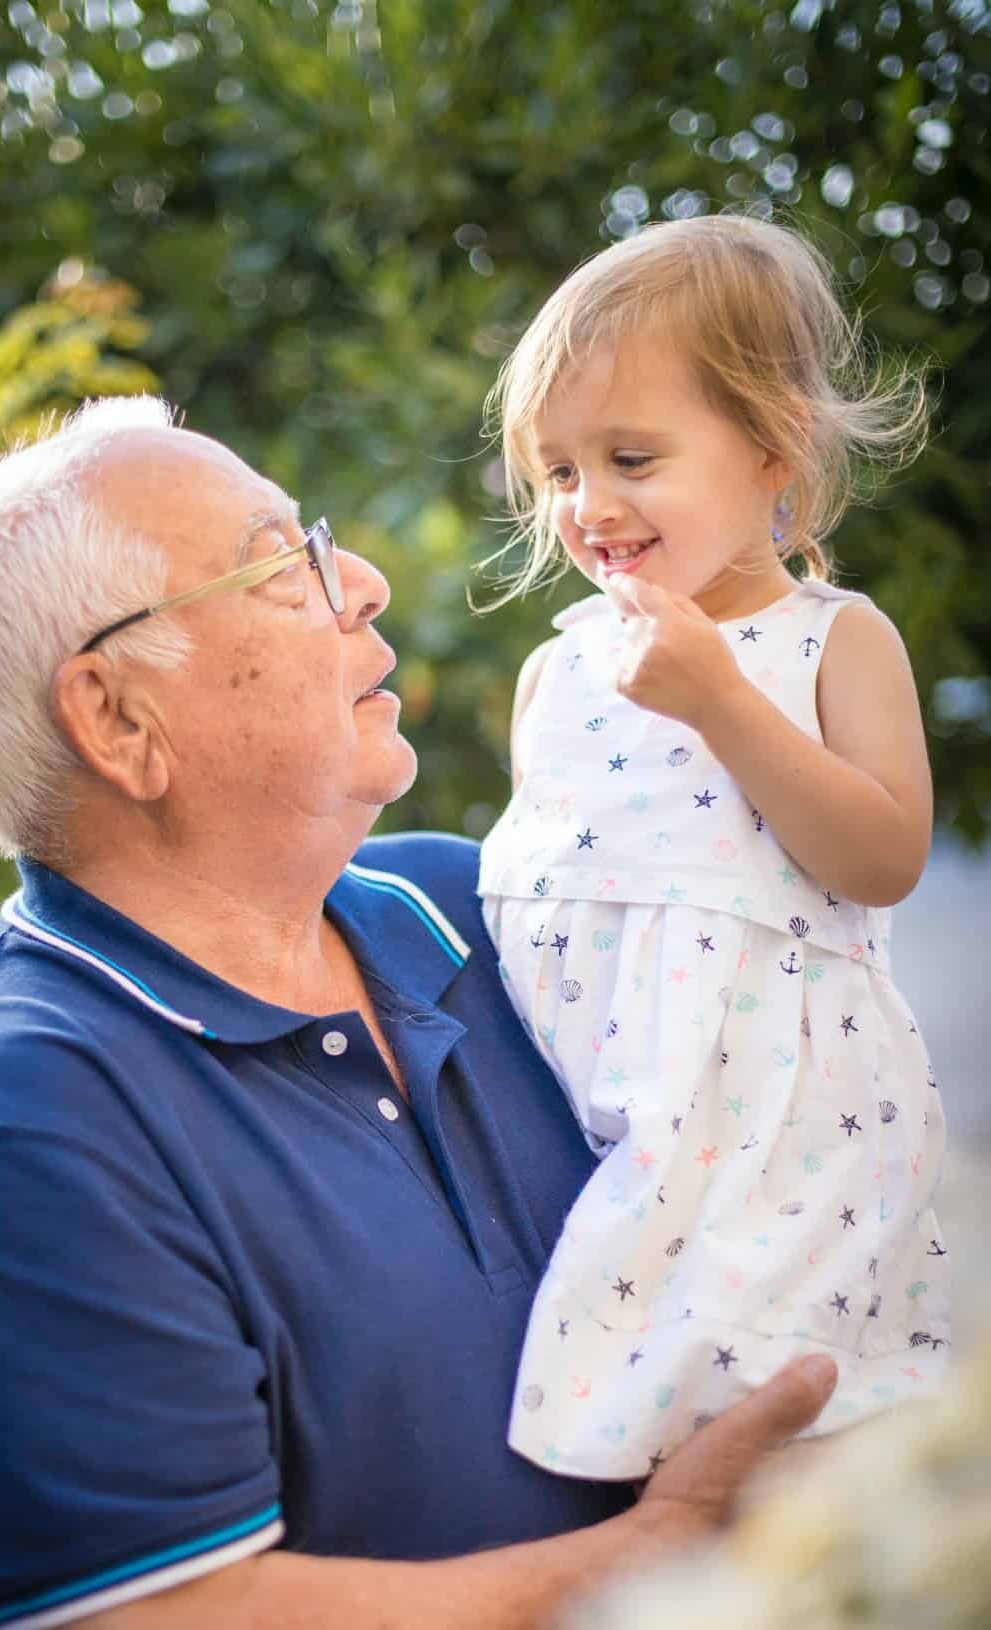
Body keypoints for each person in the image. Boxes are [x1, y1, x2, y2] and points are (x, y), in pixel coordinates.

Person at [0, 396, 837, 1630]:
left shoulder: (477, 902)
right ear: (117, 718)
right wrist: (663, 1551)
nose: (364, 582)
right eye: (284, 568)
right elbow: (155, 1618)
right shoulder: (22, 1125)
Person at [477, 212, 950, 1484]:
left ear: (771, 447)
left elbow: (884, 855)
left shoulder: (831, 641)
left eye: (632, 455)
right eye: (559, 471)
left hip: (781, 1143)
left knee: (780, 1440)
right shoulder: (555, 672)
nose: (590, 506)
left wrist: (723, 704)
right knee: (619, 1459)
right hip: (602, 1134)